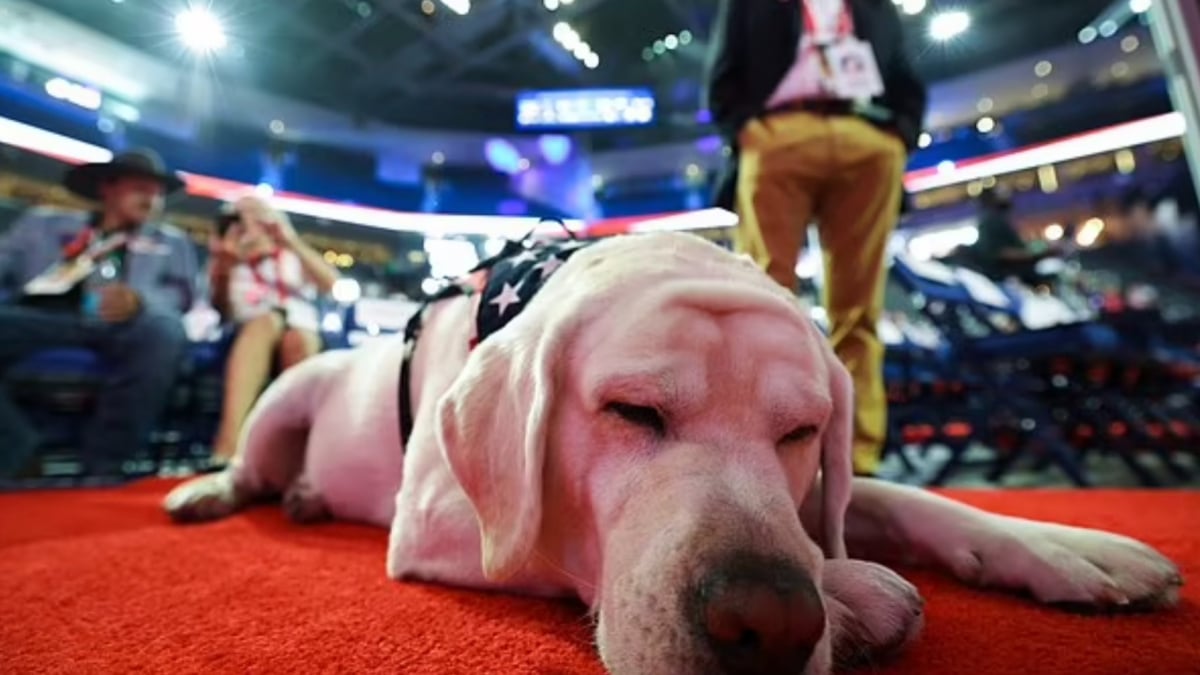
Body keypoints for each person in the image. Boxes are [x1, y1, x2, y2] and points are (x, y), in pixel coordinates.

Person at [706, 0, 927, 476]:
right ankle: (766, 450)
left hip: (869, 138)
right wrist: (747, 130)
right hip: (779, 132)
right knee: (764, 303)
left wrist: (899, 134)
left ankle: (858, 461)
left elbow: (904, 73)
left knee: (860, 310)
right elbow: (724, 71)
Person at [0, 149, 197, 477]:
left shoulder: (173, 243)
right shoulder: (44, 224)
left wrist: (142, 301)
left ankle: (105, 467)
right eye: (140, 187)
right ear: (108, 187)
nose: (151, 198)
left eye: (157, 192)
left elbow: (184, 296)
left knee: (164, 332)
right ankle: (15, 442)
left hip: (126, 327)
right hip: (42, 318)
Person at [206, 194, 339, 468]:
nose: (252, 226)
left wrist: (288, 239)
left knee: (297, 340)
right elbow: (222, 309)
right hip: (247, 332)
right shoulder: (226, 259)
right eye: (242, 219)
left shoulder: (290, 255)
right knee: (265, 323)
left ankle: (297, 457)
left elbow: (331, 284)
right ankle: (229, 448)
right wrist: (226, 265)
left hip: (300, 328)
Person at [972, 186, 1055, 284]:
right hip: (1010, 277)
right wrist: (1031, 254)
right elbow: (998, 252)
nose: (1007, 196)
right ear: (992, 199)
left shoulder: (999, 219)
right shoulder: (990, 222)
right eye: (1001, 194)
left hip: (1018, 273)